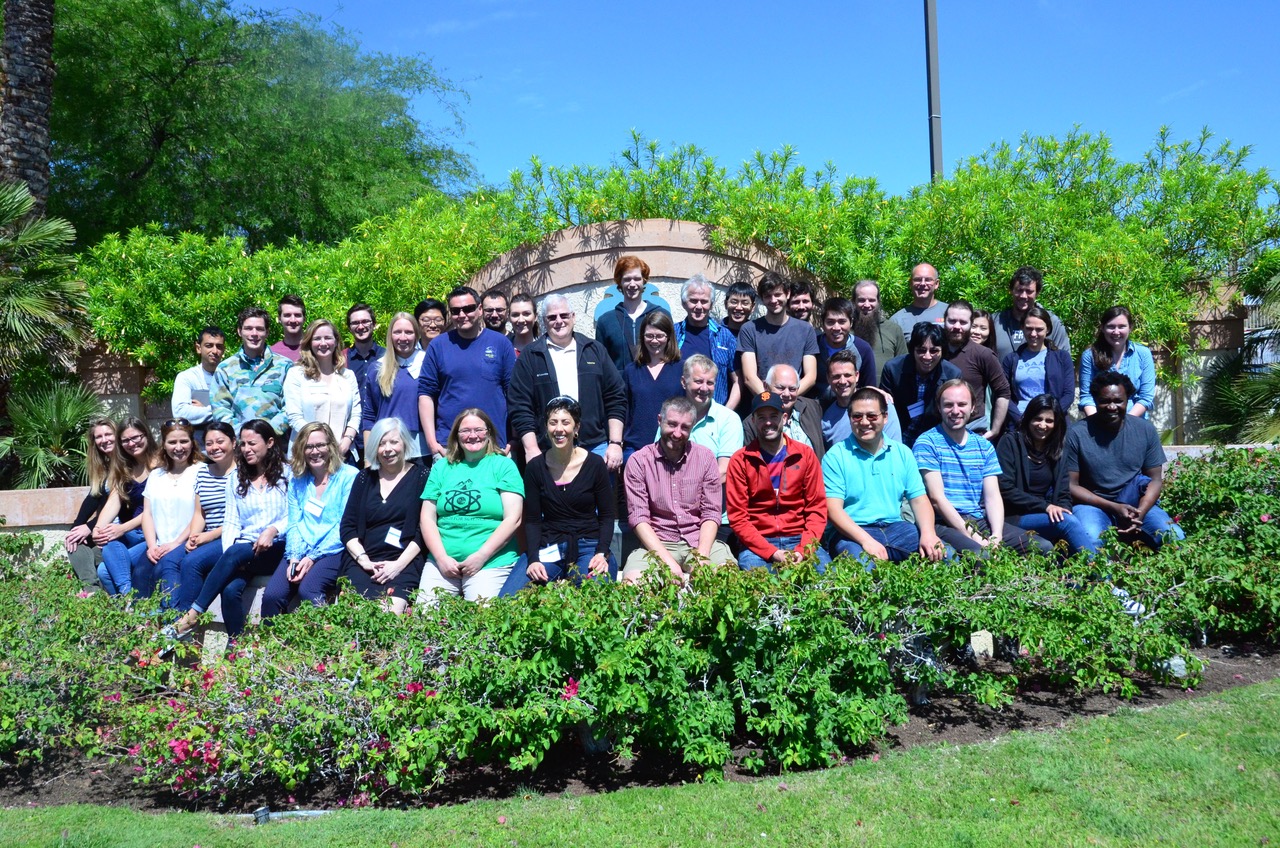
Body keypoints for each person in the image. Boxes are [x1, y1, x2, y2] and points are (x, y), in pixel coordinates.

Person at [163, 419, 289, 641]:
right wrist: (231, 557)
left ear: (269, 442)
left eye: (252, 443)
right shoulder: (236, 479)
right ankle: (235, 648)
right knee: (230, 590)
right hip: (246, 551)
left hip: (277, 547)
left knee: (233, 553)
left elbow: (296, 514)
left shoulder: (288, 474)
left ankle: (191, 616)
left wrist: (273, 530)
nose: (246, 449)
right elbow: (231, 522)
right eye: (244, 444)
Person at [913, 380, 1049, 555]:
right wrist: (977, 539)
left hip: (979, 520)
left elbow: (992, 497)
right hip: (945, 522)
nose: (955, 411)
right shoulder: (927, 443)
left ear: (972, 407)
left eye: (962, 404)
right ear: (939, 408)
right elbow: (937, 499)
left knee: (1043, 547)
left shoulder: (984, 446)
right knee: (983, 556)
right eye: (948, 405)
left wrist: (996, 535)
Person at [500, 397, 617, 594]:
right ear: (546, 428)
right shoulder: (535, 467)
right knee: (509, 598)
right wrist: (533, 559)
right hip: (549, 546)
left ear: (576, 427)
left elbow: (607, 515)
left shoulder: (595, 464)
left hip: (588, 546)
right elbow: (533, 520)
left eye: (565, 422)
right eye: (553, 423)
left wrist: (601, 552)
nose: (559, 429)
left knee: (594, 595)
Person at [823, 387, 946, 566]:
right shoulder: (836, 456)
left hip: (897, 528)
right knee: (861, 568)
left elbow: (919, 500)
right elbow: (833, 509)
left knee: (945, 556)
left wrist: (928, 534)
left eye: (872, 416)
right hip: (852, 532)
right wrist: (866, 541)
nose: (864, 422)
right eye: (857, 416)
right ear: (849, 418)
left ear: (885, 417)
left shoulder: (903, 453)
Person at [1065, 372, 1184, 553]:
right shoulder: (1076, 434)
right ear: (1095, 400)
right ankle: (1102, 573)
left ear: (1127, 400)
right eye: (1105, 401)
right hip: (1092, 504)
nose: (1112, 406)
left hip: (1135, 503)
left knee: (1175, 537)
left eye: (1118, 401)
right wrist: (1113, 507)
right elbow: (1071, 485)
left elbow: (1155, 480)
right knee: (1091, 541)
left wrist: (1140, 512)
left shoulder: (1145, 430)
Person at [621, 396, 733, 583]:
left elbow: (711, 512)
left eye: (685, 427)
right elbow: (639, 518)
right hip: (657, 543)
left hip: (699, 540)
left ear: (693, 427)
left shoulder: (705, 458)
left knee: (727, 577)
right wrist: (667, 562)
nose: (677, 433)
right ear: (659, 420)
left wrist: (702, 557)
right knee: (633, 582)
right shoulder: (639, 462)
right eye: (672, 424)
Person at [417, 409, 524, 602]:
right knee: (425, 616)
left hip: (491, 562)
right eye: (465, 431)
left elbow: (513, 519)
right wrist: (441, 558)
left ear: (489, 432)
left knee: (483, 616)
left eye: (479, 430)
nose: (472, 436)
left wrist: (481, 556)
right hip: (442, 564)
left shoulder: (503, 465)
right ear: (456, 436)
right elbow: (427, 518)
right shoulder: (442, 467)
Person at [509, 294, 625, 468]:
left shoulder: (594, 350)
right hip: (548, 450)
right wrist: (531, 449)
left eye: (564, 315)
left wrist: (615, 443)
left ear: (573, 317)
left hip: (595, 447)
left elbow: (616, 396)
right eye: (552, 317)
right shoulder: (530, 356)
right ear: (544, 321)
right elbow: (519, 405)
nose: (559, 321)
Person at [260, 422, 358, 619]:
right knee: (272, 595)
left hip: (335, 548)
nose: (315, 451)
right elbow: (294, 522)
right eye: (308, 447)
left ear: (331, 446)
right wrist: (295, 556)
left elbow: (343, 524)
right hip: (301, 546)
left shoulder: (349, 476)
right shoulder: (298, 480)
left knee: (309, 590)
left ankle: (329, 636)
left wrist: (313, 557)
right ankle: (271, 639)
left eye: (320, 445)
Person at [727, 392, 829, 572]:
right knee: (760, 585)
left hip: (800, 538)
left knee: (828, 580)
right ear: (753, 421)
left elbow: (817, 509)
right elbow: (738, 517)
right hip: (758, 543)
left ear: (785, 418)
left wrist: (803, 550)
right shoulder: (740, 460)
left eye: (773, 416)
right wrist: (772, 552)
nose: (768, 422)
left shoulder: (805, 455)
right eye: (761, 417)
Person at [340, 417, 428, 615]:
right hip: (364, 562)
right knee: (353, 614)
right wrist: (364, 560)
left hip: (403, 562)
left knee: (389, 614)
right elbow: (347, 527)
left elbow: (423, 530)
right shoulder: (364, 478)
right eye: (381, 443)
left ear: (404, 443)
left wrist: (397, 566)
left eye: (394, 442)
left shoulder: (422, 476)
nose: (388, 449)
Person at [418, 286, 516, 457]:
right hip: (450, 447)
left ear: (479, 309)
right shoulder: (438, 346)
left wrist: (514, 438)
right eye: (455, 311)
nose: (462, 315)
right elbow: (426, 394)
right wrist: (432, 443)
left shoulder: (501, 343)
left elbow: (514, 393)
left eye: (468, 309)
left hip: (494, 445)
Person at [997, 394, 1094, 555]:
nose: (1042, 425)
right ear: (1028, 419)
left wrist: (1063, 510)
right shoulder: (1010, 442)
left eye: (1049, 421)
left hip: (1046, 514)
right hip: (1015, 516)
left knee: (1071, 520)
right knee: (1067, 522)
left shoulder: (1058, 450)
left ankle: (1083, 569)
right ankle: (1100, 569)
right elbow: (1005, 488)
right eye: (1038, 419)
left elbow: (1063, 493)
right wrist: (1046, 507)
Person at [164, 421, 237, 613]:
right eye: (209, 443)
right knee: (169, 561)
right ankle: (170, 616)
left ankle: (186, 620)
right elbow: (199, 512)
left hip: (231, 537)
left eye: (220, 441)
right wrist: (193, 537)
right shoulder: (204, 472)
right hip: (205, 536)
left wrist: (208, 536)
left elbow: (243, 519)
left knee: (192, 562)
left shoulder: (243, 473)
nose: (215, 447)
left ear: (233, 442)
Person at [134, 418, 205, 599]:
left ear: (192, 442)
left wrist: (176, 543)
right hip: (158, 545)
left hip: (185, 543)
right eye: (172, 442)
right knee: (140, 574)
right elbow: (147, 514)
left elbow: (200, 514)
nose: (178, 447)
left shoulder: (202, 472)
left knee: (162, 573)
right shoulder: (156, 475)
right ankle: (140, 618)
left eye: (184, 441)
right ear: (164, 445)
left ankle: (168, 616)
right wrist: (151, 546)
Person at [93, 416, 161, 596]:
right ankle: (128, 600)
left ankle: (127, 601)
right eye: (125, 440)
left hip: (155, 533)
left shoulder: (162, 464)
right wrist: (98, 529)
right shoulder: (124, 467)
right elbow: (114, 500)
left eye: (136, 437)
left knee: (104, 571)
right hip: (133, 534)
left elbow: (156, 509)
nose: (131, 444)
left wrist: (122, 528)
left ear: (146, 434)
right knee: (108, 539)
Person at [283, 319, 362, 459]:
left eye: (328, 338)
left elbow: (355, 414)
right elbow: (294, 417)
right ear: (309, 342)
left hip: (342, 454)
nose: (323, 343)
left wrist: (346, 441)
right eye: (317, 338)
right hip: (307, 454)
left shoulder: (348, 376)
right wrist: (321, 445)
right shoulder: (296, 374)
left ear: (336, 341)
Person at [212, 306, 291, 436]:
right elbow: (220, 410)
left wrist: (266, 436)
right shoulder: (225, 369)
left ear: (267, 332)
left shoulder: (285, 366)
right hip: (239, 444)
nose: (254, 333)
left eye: (259, 329)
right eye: (248, 328)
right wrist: (245, 437)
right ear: (239, 331)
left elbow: (291, 408)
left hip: (276, 444)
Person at [879, 323, 961, 447]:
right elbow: (884, 409)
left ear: (942, 350)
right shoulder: (892, 369)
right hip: (897, 436)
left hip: (935, 439)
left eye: (934, 351)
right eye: (921, 350)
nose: (927, 356)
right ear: (913, 349)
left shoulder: (953, 375)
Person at [738, 272, 819, 397]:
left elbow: (810, 377)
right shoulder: (749, 329)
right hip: (762, 401)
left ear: (788, 294)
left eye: (777, 294)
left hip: (794, 401)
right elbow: (749, 377)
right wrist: (770, 400)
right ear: (762, 298)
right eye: (768, 296)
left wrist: (788, 397)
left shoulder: (806, 330)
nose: (773, 300)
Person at [361, 313, 427, 459]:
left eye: (408, 332)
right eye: (397, 332)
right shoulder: (377, 368)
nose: (403, 338)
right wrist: (368, 458)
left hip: (422, 449)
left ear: (416, 335)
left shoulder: (428, 364)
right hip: (387, 450)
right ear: (390, 335)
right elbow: (369, 415)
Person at [942, 300, 1011, 439]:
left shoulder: (983, 354)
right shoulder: (934, 351)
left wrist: (995, 430)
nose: (957, 326)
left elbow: (1003, 391)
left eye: (963, 322)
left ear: (970, 324)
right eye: (952, 321)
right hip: (937, 431)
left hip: (972, 430)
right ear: (944, 321)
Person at [65, 417, 119, 590]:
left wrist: (89, 527)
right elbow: (93, 497)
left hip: (122, 528)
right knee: (75, 543)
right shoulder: (104, 467)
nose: (104, 440)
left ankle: (91, 591)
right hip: (102, 527)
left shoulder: (127, 464)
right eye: (99, 437)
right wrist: (76, 528)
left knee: (95, 556)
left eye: (108, 434)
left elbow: (123, 506)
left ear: (118, 435)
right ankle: (92, 591)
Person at [622, 310, 684, 458]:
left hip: (673, 447)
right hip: (635, 448)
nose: (654, 341)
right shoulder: (631, 370)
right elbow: (624, 409)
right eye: (649, 336)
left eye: (659, 336)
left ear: (669, 337)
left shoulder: (681, 368)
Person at [1001, 306, 1075, 427]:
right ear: (1022, 328)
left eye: (1039, 329)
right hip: (1020, 421)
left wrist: (1051, 417)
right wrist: (1020, 420)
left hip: (1054, 423)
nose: (1033, 334)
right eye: (1029, 328)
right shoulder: (1011, 360)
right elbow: (1004, 395)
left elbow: (1069, 394)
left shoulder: (1062, 357)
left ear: (1048, 329)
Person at [1079, 306, 1157, 418]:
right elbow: (1087, 397)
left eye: (1121, 326)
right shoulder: (1089, 356)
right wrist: (1097, 423)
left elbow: (1146, 397)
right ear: (1102, 328)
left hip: (1135, 421)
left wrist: (1125, 423)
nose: (1116, 332)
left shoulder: (1143, 354)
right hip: (1100, 421)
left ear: (1130, 328)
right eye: (1111, 327)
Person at [674, 274, 739, 408]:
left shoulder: (725, 337)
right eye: (693, 301)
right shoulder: (673, 334)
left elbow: (738, 381)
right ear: (684, 303)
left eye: (704, 301)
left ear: (711, 304)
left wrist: (725, 413)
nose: (699, 306)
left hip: (714, 413)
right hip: (679, 412)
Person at [596, 255, 668, 373]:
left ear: (644, 280)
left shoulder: (661, 315)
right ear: (620, 282)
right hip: (619, 384)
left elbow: (670, 354)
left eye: (637, 279)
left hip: (654, 382)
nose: (632, 284)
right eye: (627, 279)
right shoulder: (606, 321)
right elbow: (601, 363)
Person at [680, 354, 746, 479]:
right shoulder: (672, 416)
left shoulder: (729, 419)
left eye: (710, 383)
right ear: (684, 382)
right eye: (698, 381)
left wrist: (688, 487)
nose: (704, 388)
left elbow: (724, 471)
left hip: (712, 490)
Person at [819, 350, 903, 448]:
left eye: (847, 375)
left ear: (857, 376)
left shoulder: (882, 404)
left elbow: (894, 449)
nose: (842, 381)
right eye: (836, 376)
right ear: (828, 378)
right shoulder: (826, 420)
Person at [742, 362, 824, 460]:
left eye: (792, 389)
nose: (786, 394)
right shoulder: (752, 423)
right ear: (766, 386)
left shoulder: (812, 408)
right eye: (780, 388)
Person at [992, 266, 1071, 359]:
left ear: (1037, 293)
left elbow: (1064, 361)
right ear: (1011, 290)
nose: (1023, 296)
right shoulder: (995, 321)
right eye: (1019, 290)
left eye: (1029, 291)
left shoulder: (1053, 322)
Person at [813, 296, 875, 402]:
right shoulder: (813, 345)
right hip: (817, 406)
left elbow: (869, 387)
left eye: (842, 322)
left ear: (851, 322)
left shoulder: (863, 348)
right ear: (822, 323)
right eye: (830, 322)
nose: (836, 328)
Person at [171, 326, 226, 446]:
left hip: (225, 447)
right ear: (198, 348)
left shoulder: (231, 377)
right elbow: (180, 413)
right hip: (197, 448)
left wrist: (203, 409)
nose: (215, 351)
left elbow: (239, 409)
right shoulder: (186, 377)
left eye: (219, 346)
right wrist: (221, 410)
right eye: (209, 345)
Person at [853, 280, 907, 375]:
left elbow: (904, 366)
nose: (867, 305)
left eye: (871, 300)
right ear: (854, 301)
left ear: (878, 302)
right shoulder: (845, 330)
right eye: (861, 300)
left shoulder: (894, 329)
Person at [888, 263, 948, 341]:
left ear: (936, 284)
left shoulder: (950, 313)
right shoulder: (897, 320)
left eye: (928, 280)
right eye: (918, 279)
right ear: (910, 283)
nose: (922, 283)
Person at [343, 303, 384, 390]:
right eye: (355, 323)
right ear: (349, 328)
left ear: (374, 324)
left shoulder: (388, 356)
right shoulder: (341, 359)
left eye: (365, 321)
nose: (360, 327)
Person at [270, 294, 306, 362]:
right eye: (287, 315)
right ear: (279, 319)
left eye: (297, 315)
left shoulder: (315, 349)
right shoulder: (272, 354)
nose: (293, 320)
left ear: (304, 319)